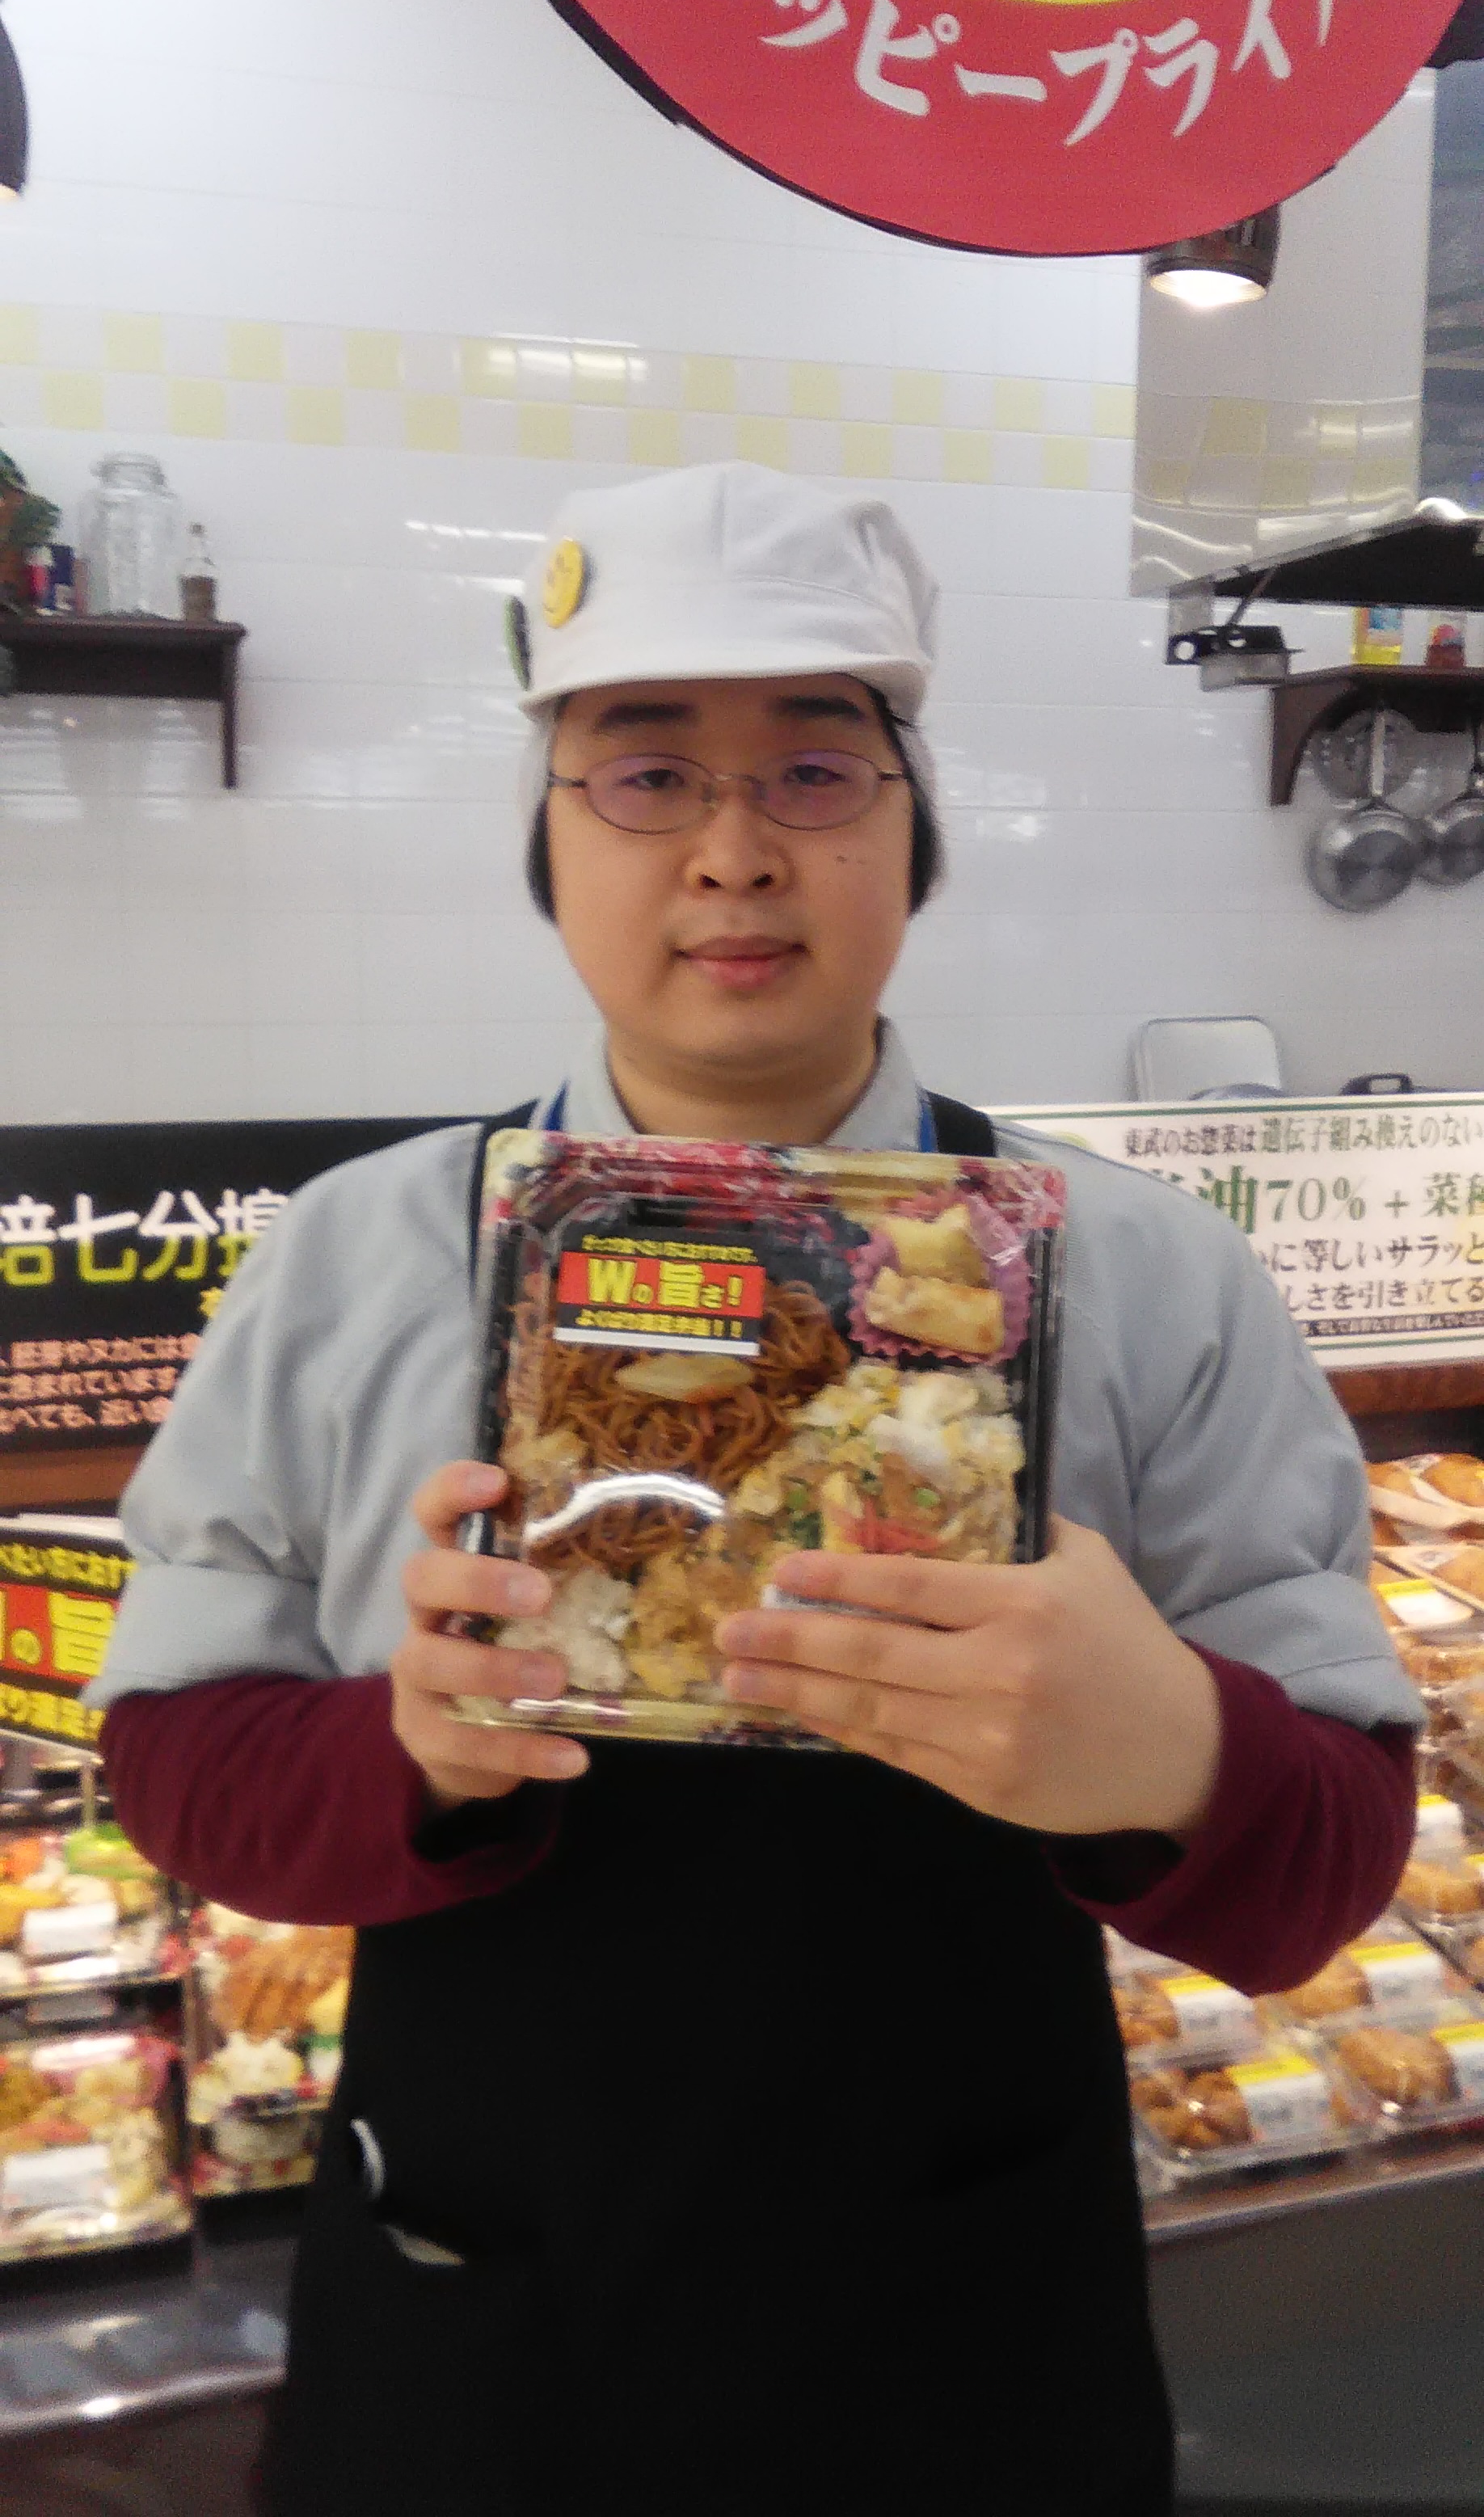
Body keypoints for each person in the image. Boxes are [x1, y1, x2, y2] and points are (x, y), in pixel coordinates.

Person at [93, 462, 1419, 2517]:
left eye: (816, 769)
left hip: (968, 2315)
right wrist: (411, 1748)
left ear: (917, 832)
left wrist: (1168, 1747)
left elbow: (1327, 1861)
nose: (734, 852)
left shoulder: (1143, 1273)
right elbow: (175, 1760)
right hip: (479, 2310)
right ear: (548, 840)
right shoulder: (358, 1255)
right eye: (646, 777)